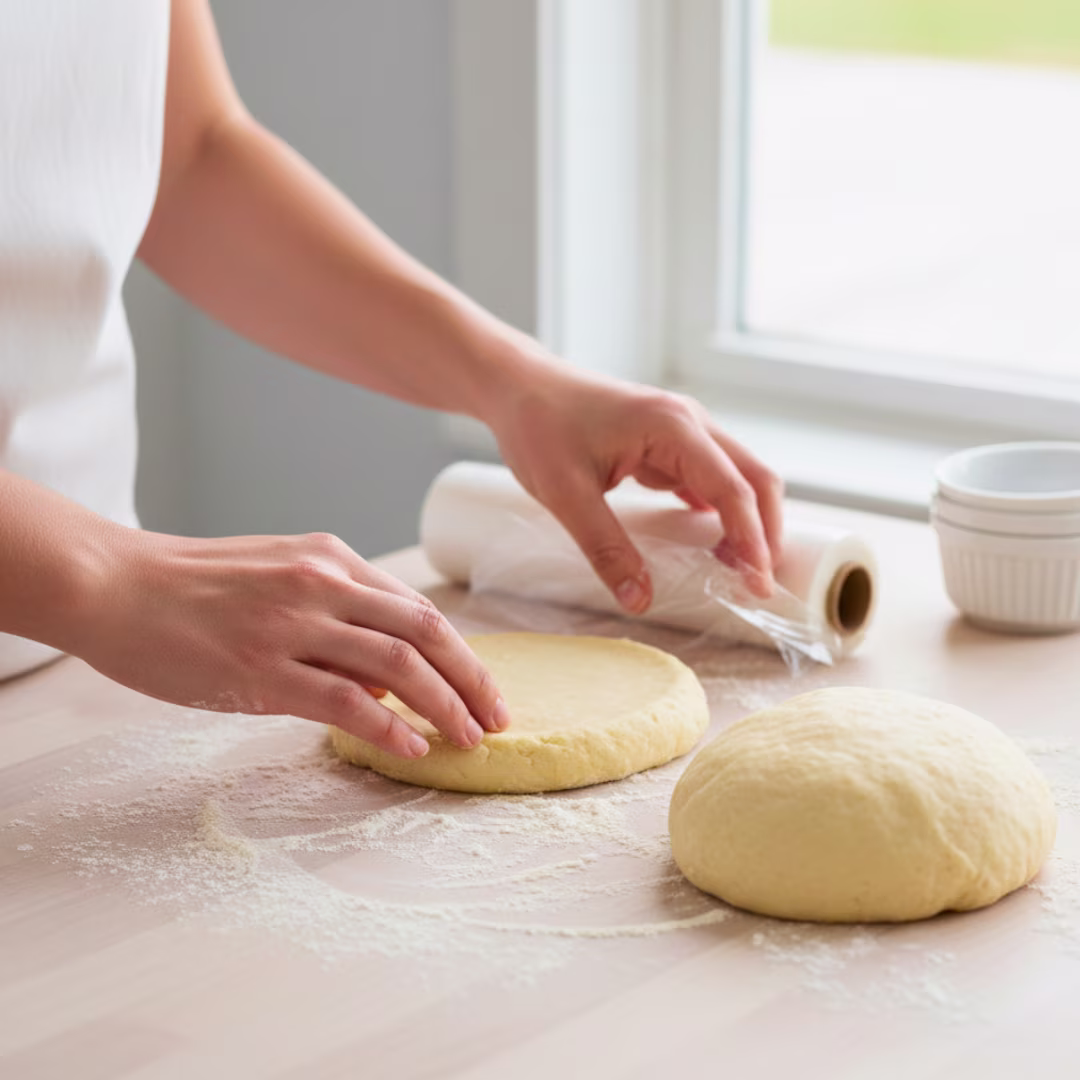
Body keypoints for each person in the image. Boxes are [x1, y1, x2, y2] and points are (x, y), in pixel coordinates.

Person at [0, 0, 783, 761]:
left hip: (68, 672)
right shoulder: (105, 589)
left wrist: (512, 381)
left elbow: (189, 152)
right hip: (97, 609)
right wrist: (104, 578)